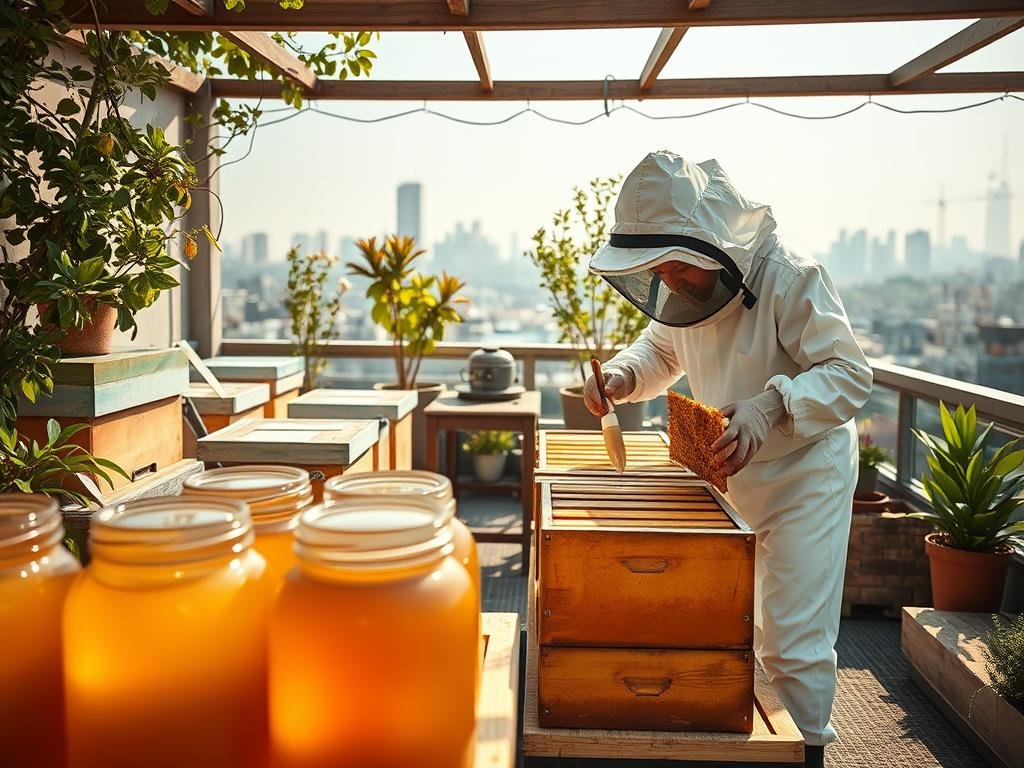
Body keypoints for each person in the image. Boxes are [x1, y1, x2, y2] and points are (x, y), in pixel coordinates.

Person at [584, 151, 872, 768]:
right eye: (654, 271)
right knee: (737, 628)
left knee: (792, 642)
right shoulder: (684, 288)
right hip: (727, 470)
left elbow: (851, 375)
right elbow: (662, 351)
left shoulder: (790, 276)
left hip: (803, 478)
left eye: (672, 266)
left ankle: (808, 752)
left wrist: (770, 407)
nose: (666, 281)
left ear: (708, 243)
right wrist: (621, 374)